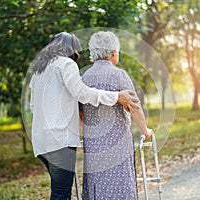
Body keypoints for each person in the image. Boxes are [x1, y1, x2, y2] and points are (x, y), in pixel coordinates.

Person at [29, 32, 139, 200]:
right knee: (61, 194)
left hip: (41, 142)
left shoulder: (39, 69)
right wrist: (116, 96)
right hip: (60, 140)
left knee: (58, 191)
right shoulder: (66, 64)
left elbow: (33, 106)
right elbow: (82, 93)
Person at [80, 31, 152, 199]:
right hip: (118, 143)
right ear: (113, 53)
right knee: (120, 185)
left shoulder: (84, 78)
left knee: (97, 184)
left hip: (94, 145)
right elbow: (135, 107)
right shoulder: (119, 75)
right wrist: (145, 130)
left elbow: (79, 111)